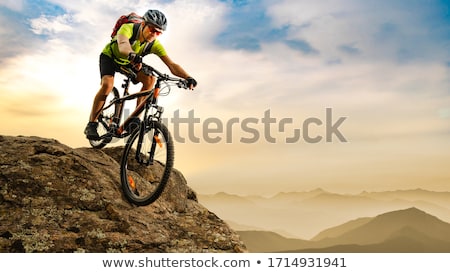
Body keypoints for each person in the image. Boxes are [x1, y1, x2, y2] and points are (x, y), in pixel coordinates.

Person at [84, 9, 197, 140]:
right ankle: (92, 123)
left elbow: (171, 65)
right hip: (111, 57)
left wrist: (188, 77)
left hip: (130, 62)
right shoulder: (128, 28)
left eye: (158, 32)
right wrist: (133, 55)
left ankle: (135, 119)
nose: (154, 34)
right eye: (152, 29)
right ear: (143, 24)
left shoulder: (154, 44)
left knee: (150, 79)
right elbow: (123, 45)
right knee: (107, 85)